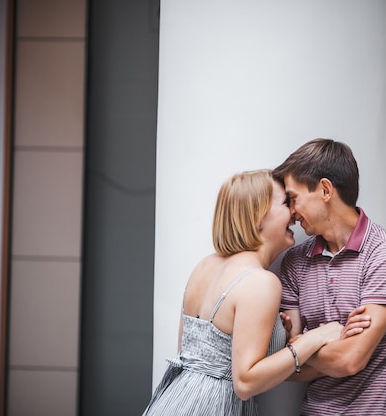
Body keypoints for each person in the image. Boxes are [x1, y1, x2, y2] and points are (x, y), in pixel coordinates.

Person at [142, 169, 370, 416]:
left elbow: (198, 355)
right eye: (286, 203)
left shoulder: (204, 266)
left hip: (174, 399)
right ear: (258, 217)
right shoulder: (261, 282)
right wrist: (317, 337)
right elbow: (245, 383)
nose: (294, 212)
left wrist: (276, 335)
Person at [273, 139, 386, 416]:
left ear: (325, 190)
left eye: (294, 198)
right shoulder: (294, 262)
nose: (291, 211)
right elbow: (282, 369)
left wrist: (301, 343)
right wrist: (326, 337)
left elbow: (349, 360)